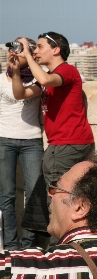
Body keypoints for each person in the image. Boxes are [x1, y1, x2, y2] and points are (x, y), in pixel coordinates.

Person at [10, 32, 95, 234]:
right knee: (73, 199)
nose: (36, 51)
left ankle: (59, 250)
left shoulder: (67, 70)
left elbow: (47, 80)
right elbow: (20, 94)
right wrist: (15, 72)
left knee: (59, 201)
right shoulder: (49, 77)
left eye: (39, 47)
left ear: (56, 49)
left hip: (67, 145)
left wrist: (28, 55)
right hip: (67, 144)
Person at [0, 39, 43, 250]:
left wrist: (17, 72)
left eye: (20, 49)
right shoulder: (0, 80)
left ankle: (28, 245)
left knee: (33, 193)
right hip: (4, 140)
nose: (13, 52)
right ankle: (10, 245)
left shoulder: (39, 80)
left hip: (31, 142)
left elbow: (21, 93)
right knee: (6, 195)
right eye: (12, 48)